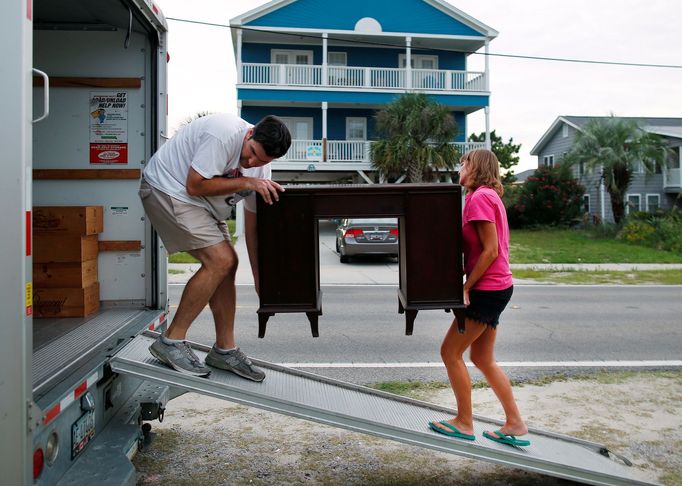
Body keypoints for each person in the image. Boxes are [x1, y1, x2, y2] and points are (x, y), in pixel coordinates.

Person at [139, 113, 291, 381]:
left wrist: (259, 280)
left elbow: (253, 229)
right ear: (250, 133)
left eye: (262, 161)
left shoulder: (260, 171)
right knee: (219, 261)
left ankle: (224, 349)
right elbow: (194, 185)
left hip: (201, 204)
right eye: (252, 153)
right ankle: (171, 341)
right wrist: (246, 181)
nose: (252, 163)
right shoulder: (222, 133)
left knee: (228, 263)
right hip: (167, 188)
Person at [428, 149, 530, 447]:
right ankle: (515, 423)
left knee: (450, 352)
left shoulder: (479, 198)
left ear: (477, 168)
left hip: (487, 289)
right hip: (498, 286)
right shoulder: (486, 196)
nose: (460, 167)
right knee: (482, 358)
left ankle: (464, 422)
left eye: (464, 163)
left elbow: (491, 250)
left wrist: (466, 287)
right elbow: (480, 250)